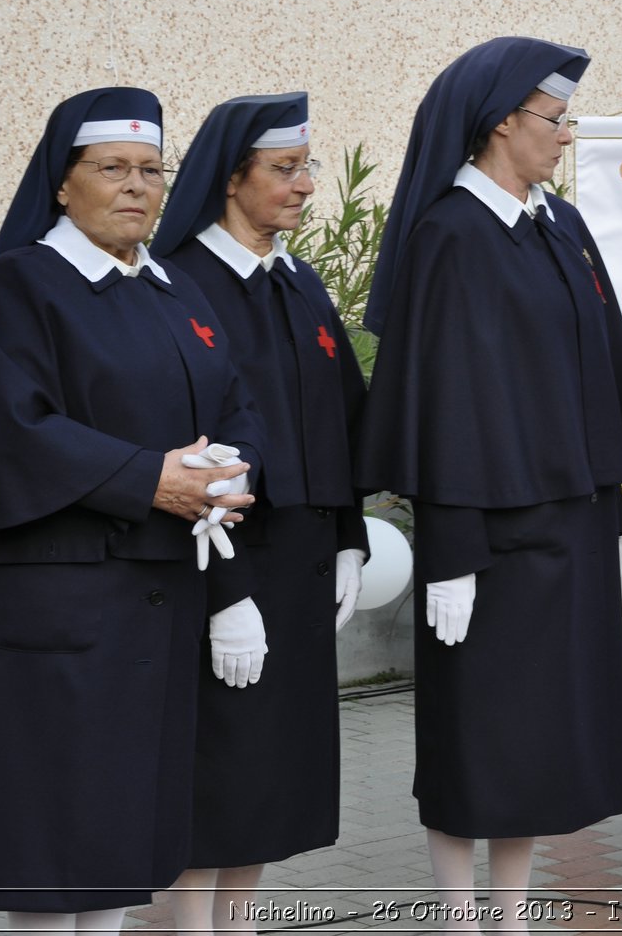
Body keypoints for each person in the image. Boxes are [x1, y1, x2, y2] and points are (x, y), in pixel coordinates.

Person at [0, 88, 265, 933]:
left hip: (156, 597)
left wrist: (230, 464)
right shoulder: (26, 283)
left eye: (151, 169)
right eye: (112, 168)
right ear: (62, 184)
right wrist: (150, 477)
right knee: (49, 839)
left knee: (116, 830)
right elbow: (11, 427)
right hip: (61, 598)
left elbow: (236, 400)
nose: (137, 185)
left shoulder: (172, 288)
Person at [357, 38, 622, 931]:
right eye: (554, 119)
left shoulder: (555, 224)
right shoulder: (451, 234)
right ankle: (460, 914)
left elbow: (611, 366)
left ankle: (511, 910)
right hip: (485, 537)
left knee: (539, 734)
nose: (565, 136)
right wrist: (448, 545)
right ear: (501, 124)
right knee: (473, 731)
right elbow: (441, 401)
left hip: (569, 521)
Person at [151, 93, 369, 932]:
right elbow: (185, 456)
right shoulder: (183, 286)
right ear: (230, 177)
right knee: (216, 776)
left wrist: (350, 537)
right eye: (284, 168)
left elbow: (345, 421)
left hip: (304, 567)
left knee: (268, 781)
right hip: (227, 568)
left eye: (308, 166)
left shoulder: (298, 281)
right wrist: (224, 593)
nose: (306, 185)